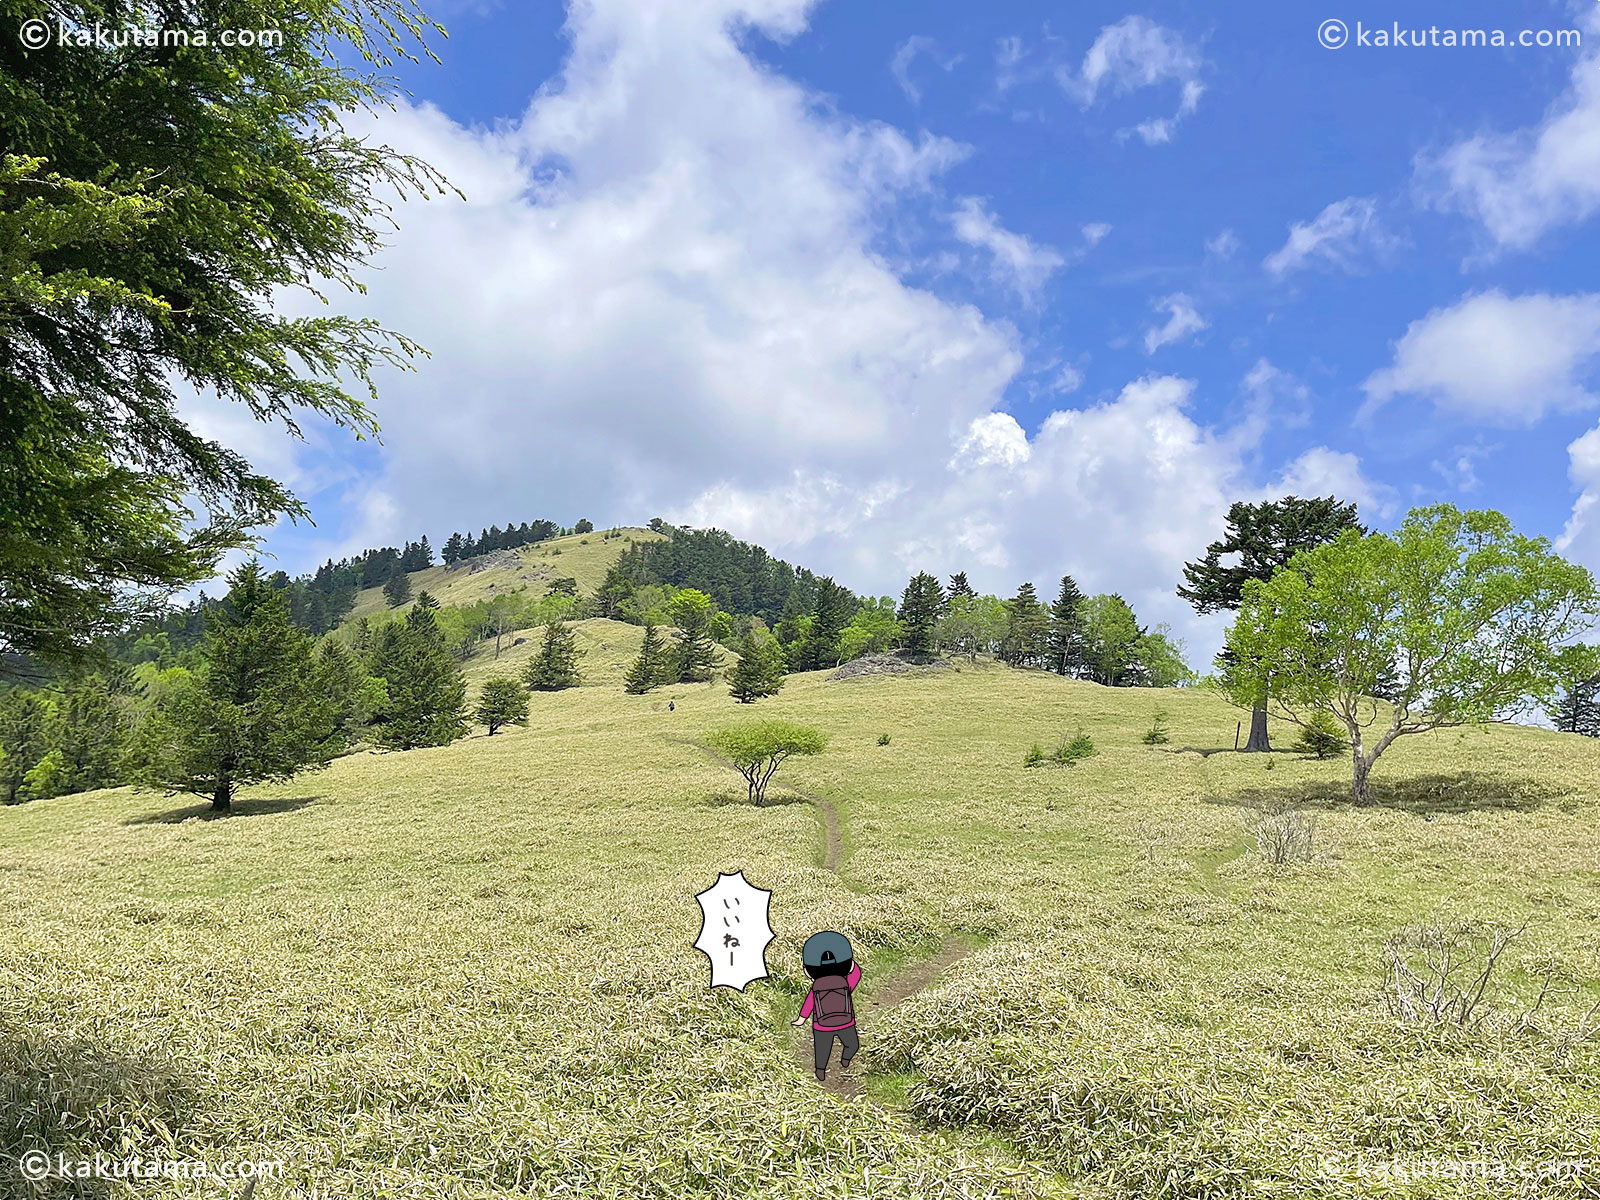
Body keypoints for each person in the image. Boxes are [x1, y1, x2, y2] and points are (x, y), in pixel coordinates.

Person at [790, 930, 860, 1081]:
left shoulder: (816, 986)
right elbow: (856, 973)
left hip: (821, 1026)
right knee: (853, 1045)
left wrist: (801, 1019)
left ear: (808, 972)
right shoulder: (846, 982)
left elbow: (809, 1003)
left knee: (822, 1051)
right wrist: (852, 964)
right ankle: (846, 1059)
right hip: (846, 1022)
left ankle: (820, 1070)